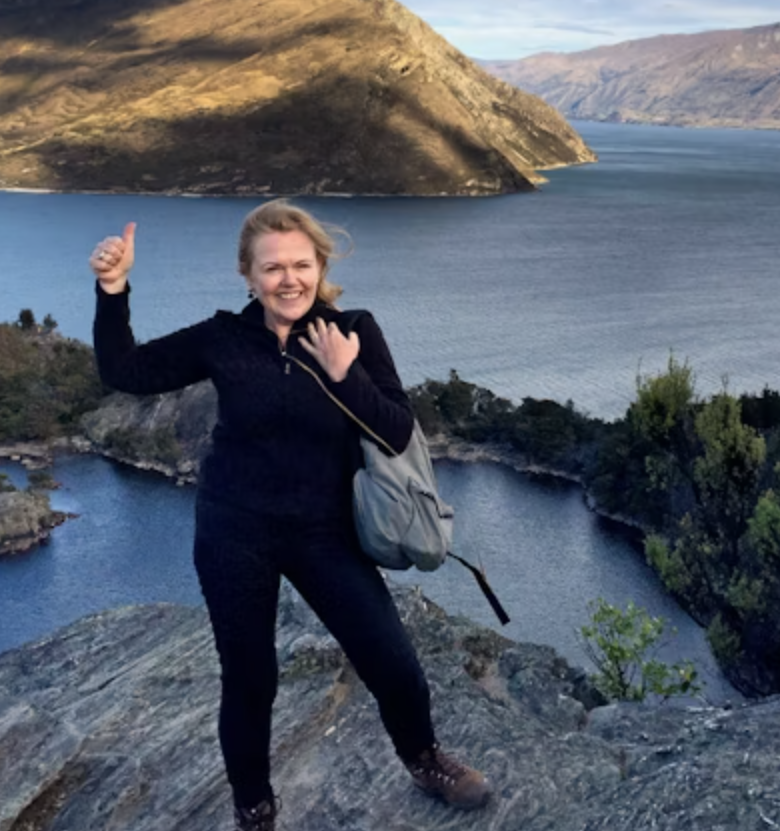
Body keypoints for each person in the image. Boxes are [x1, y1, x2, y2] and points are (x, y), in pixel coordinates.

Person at [89, 200, 491, 831]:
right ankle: (254, 804)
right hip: (234, 528)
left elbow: (395, 431)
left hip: (324, 530)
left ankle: (423, 758)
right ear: (248, 276)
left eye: (301, 264)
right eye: (272, 267)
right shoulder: (223, 337)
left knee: (390, 659)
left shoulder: (352, 329)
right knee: (250, 677)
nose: (289, 279)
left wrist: (343, 375)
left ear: (320, 266)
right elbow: (125, 372)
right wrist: (113, 290)